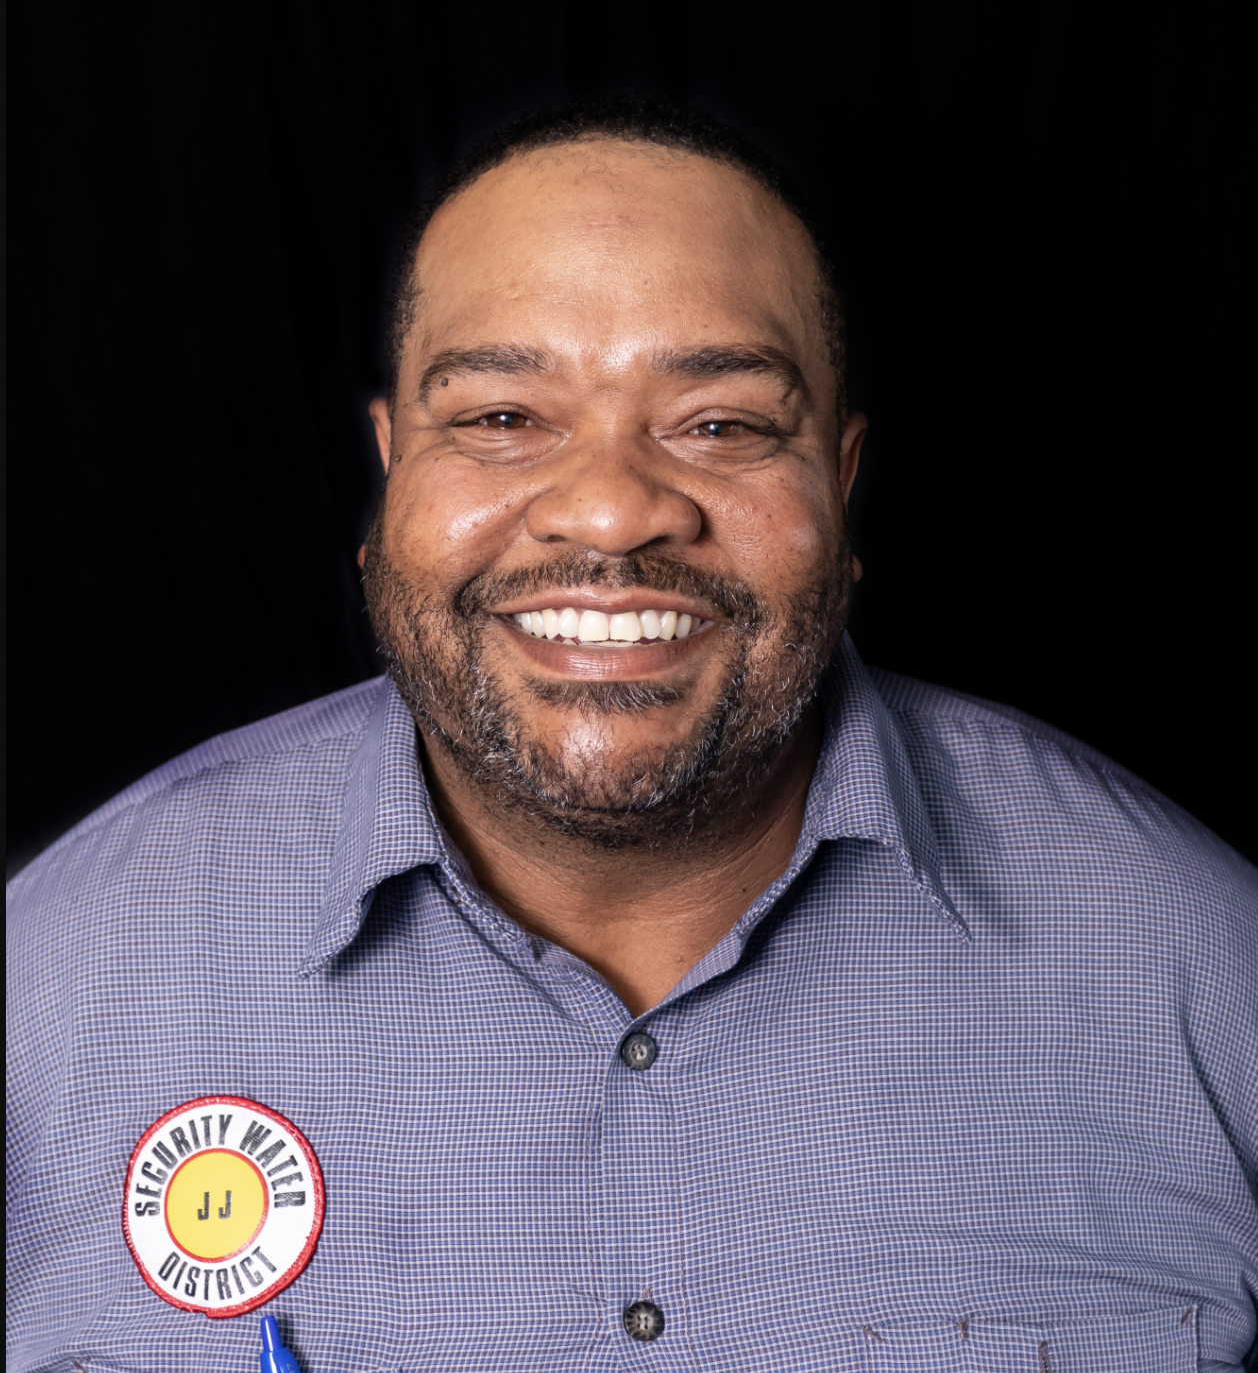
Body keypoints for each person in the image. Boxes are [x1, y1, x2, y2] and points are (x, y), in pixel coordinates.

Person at [7, 98, 1256, 1373]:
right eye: (501, 418)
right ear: (389, 474)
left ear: (841, 477)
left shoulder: (1203, 969)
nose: (608, 513)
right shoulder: (49, 981)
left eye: (719, 424)